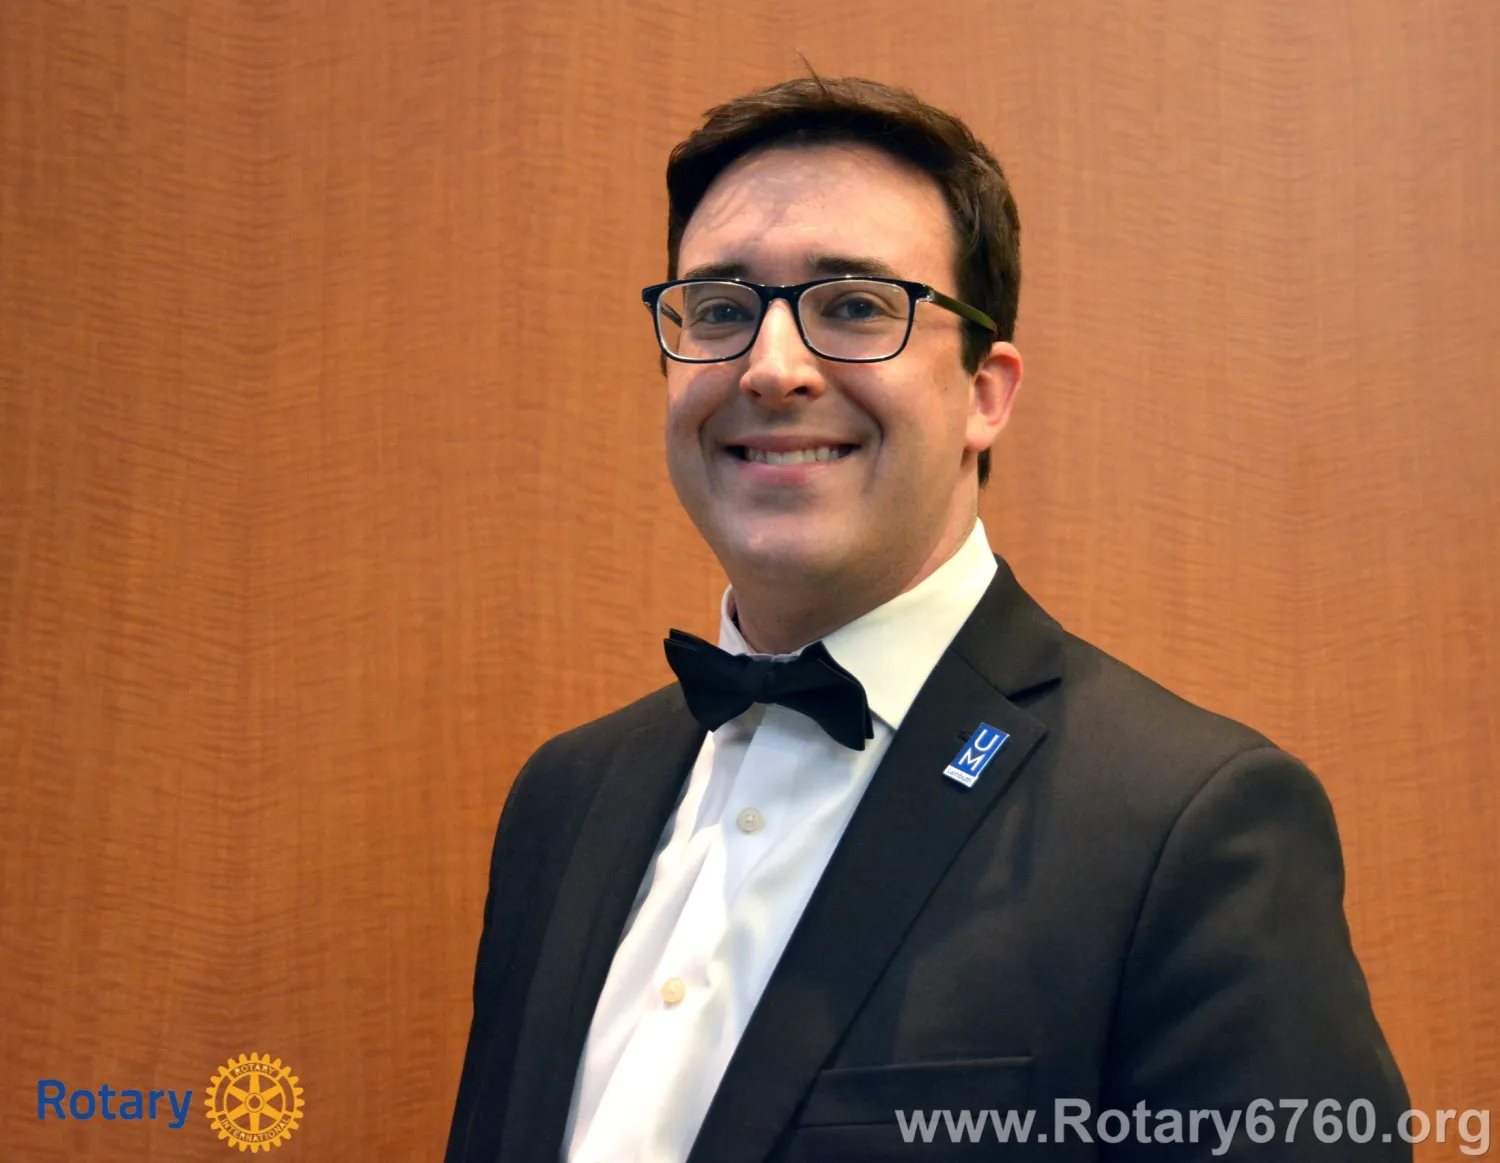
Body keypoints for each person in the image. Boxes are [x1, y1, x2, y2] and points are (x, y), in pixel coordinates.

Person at [444, 75, 1408, 1162]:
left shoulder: (1187, 827)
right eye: (718, 310)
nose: (772, 368)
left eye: (856, 306)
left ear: (985, 392)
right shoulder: (563, 801)